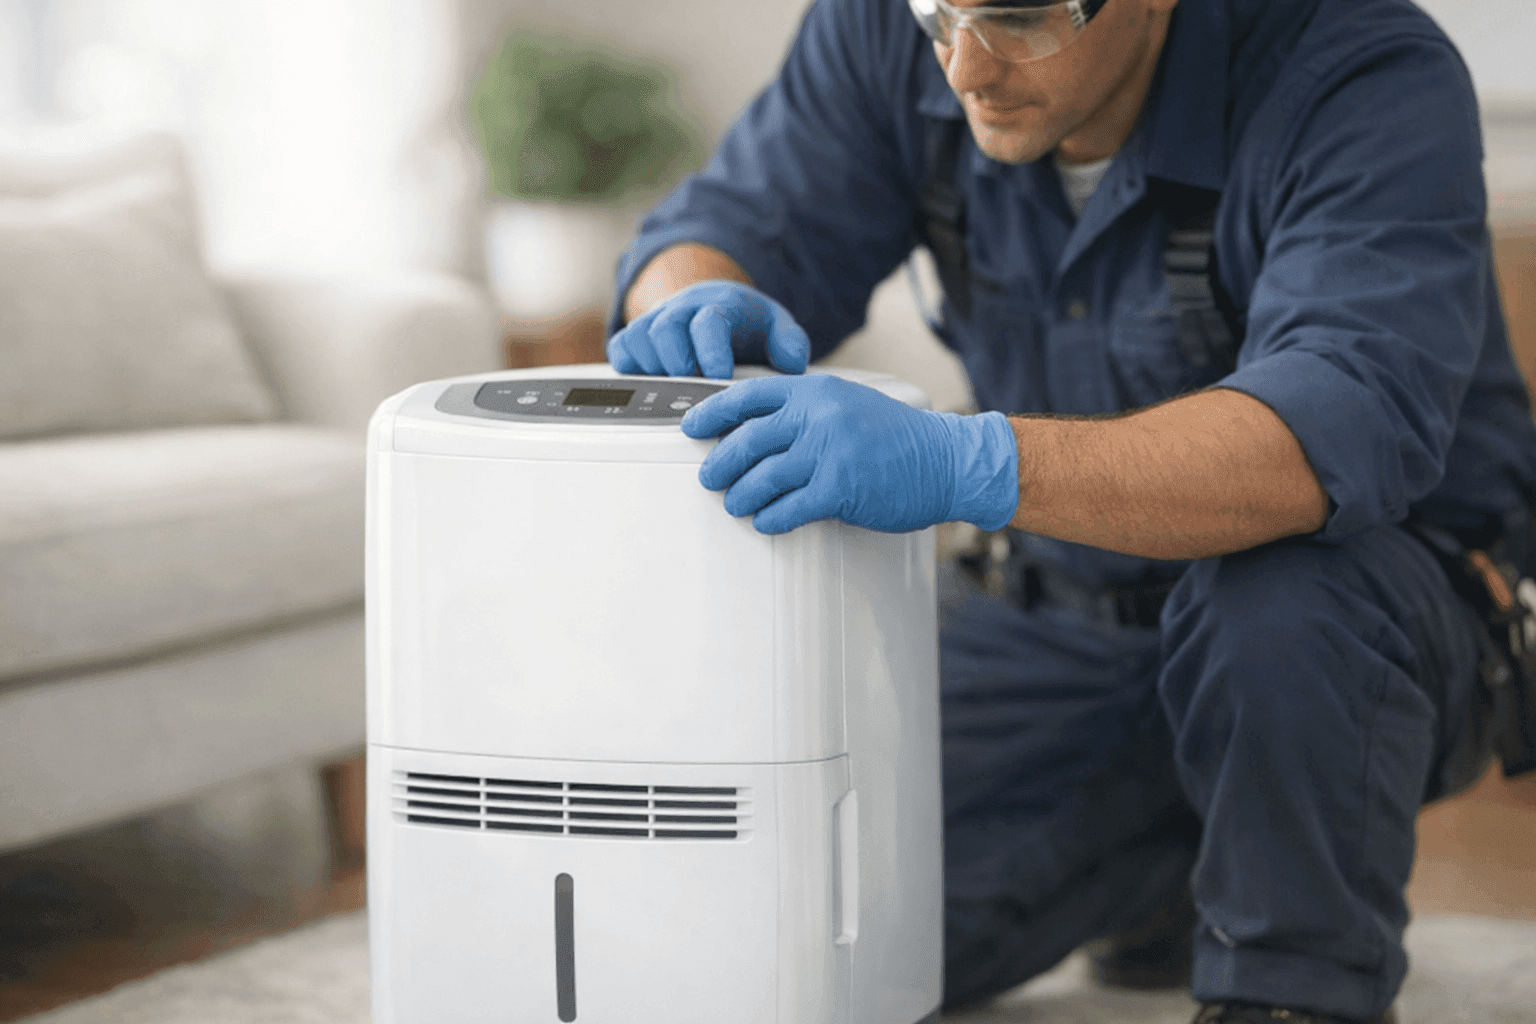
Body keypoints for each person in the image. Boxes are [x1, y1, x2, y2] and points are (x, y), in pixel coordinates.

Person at [603, 0, 1536, 1021]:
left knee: (1276, 594)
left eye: (1016, 19)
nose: (964, 67)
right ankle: (1177, 861)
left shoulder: (1363, 72)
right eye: (938, 15)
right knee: (785, 948)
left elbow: (1320, 441)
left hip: (1349, 636)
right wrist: (688, 298)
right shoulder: (891, 28)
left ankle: (1290, 984)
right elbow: (724, 226)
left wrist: (969, 460)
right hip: (1060, 625)